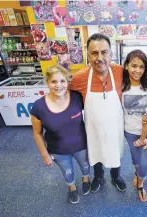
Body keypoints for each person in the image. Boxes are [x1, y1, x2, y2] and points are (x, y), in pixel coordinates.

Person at [70, 33, 126, 193]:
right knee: (95, 151)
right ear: (88, 55)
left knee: (115, 152)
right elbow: (67, 102)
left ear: (111, 54)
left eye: (104, 52)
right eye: (94, 53)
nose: (99, 58)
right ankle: (99, 176)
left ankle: (115, 176)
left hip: (115, 127)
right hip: (93, 128)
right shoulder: (79, 78)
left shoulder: (120, 72)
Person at [30, 65, 90, 204]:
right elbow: (37, 133)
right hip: (58, 150)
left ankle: (86, 179)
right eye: (54, 82)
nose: (58, 85)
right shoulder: (38, 106)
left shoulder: (76, 97)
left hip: (81, 145)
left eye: (62, 81)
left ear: (67, 82)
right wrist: (45, 155)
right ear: (47, 83)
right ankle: (72, 188)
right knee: (67, 171)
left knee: (85, 166)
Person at [122, 49, 147, 202]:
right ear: (127, 65)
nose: (137, 70)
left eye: (141, 67)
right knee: (136, 159)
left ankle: (141, 185)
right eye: (134, 66)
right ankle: (137, 174)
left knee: (145, 162)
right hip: (129, 131)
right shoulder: (121, 87)